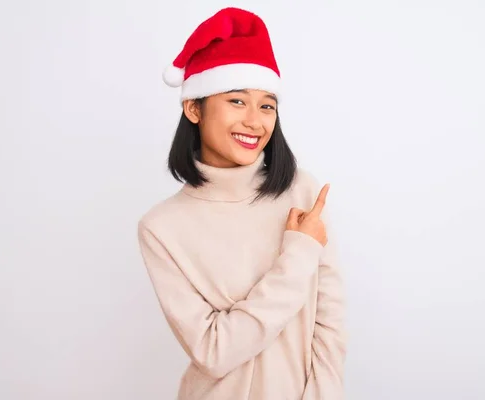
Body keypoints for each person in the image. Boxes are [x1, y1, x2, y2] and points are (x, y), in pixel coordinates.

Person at [137, 7, 346, 399]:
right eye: (237, 101)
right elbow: (213, 353)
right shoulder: (161, 227)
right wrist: (298, 256)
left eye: (267, 105)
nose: (255, 121)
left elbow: (329, 324)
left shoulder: (302, 192)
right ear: (193, 108)